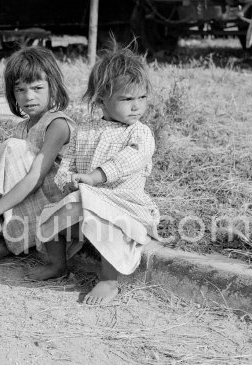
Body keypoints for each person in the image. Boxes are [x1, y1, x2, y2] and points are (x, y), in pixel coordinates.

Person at [29, 42, 160, 305]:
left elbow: (129, 161)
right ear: (101, 99)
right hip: (85, 200)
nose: (136, 107)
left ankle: (109, 280)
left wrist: (93, 177)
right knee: (51, 213)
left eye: (142, 98)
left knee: (108, 219)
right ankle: (57, 264)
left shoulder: (139, 133)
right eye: (126, 99)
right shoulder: (85, 131)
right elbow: (68, 165)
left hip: (125, 205)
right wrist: (68, 181)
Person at [0, 47, 75, 266]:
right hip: (28, 194)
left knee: (12, 147)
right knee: (10, 149)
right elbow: (0, 173)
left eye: (37, 88)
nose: (29, 96)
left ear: (54, 87)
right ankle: (3, 239)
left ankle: (55, 262)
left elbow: (36, 177)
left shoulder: (58, 124)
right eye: (20, 90)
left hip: (54, 198)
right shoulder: (23, 127)